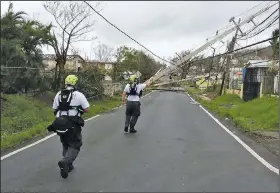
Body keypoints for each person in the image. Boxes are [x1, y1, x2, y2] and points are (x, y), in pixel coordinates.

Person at [47, 74, 90, 179]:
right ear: (75, 83)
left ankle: (68, 165)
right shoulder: (79, 95)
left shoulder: (58, 94)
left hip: (60, 123)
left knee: (65, 143)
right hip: (72, 124)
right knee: (75, 144)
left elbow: (54, 109)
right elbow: (87, 109)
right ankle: (65, 162)